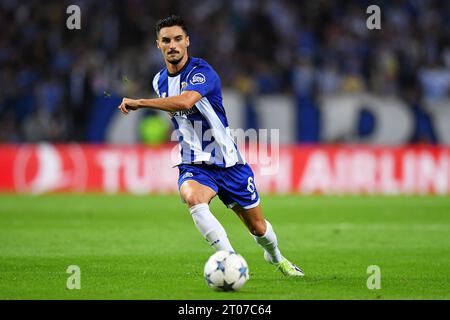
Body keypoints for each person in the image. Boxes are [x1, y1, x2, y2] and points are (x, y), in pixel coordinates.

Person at [117, 15, 304, 276]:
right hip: (193, 161)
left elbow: (184, 102)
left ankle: (277, 259)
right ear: (158, 45)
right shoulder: (159, 80)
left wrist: (140, 102)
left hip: (229, 163)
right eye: (166, 40)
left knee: (259, 229)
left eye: (178, 39)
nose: (173, 45)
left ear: (187, 42)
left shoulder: (202, 72)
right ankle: (230, 259)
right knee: (194, 198)